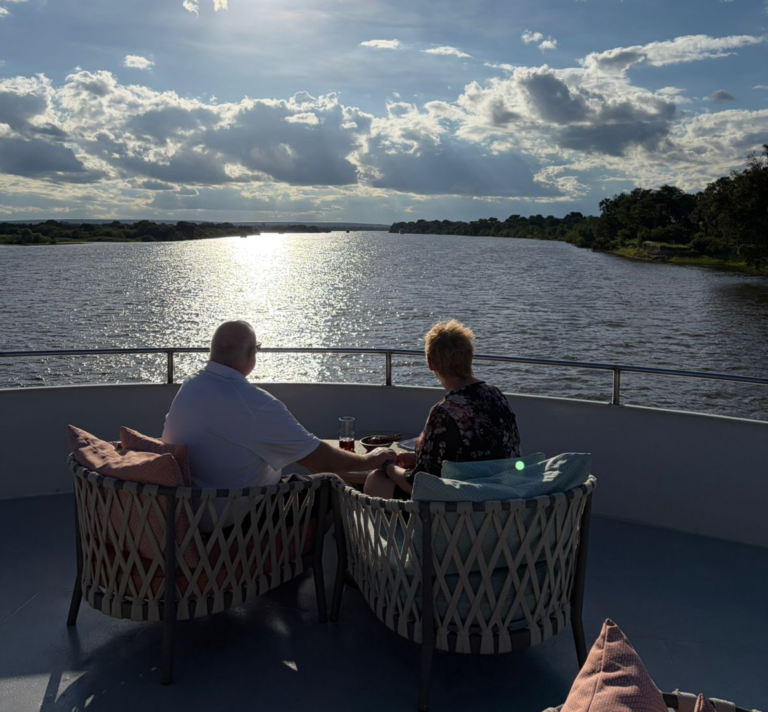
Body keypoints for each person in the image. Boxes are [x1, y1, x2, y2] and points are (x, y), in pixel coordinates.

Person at [162, 320, 396, 529]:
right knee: (332, 486)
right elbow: (320, 459)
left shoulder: (190, 387)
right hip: (236, 521)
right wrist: (369, 459)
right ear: (252, 354)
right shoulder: (255, 404)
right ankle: (308, 562)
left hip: (188, 515)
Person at [364, 320, 521, 499]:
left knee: (376, 480)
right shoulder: (497, 397)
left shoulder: (444, 412)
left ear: (430, 363)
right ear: (470, 357)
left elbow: (417, 484)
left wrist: (387, 466)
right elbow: (479, 459)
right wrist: (418, 458)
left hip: (459, 509)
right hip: (499, 502)